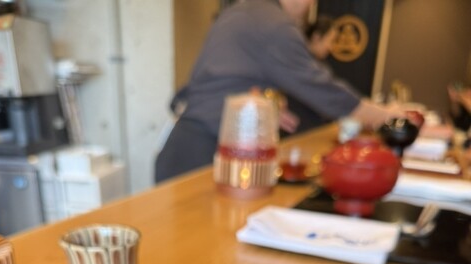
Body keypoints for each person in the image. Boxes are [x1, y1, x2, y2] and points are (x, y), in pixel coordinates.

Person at [155, 0, 405, 183]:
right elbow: (324, 91)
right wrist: (386, 114)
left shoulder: (242, 12)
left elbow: (227, 81)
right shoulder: (274, 25)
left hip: (185, 148)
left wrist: (267, 104)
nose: (311, 4)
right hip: (203, 156)